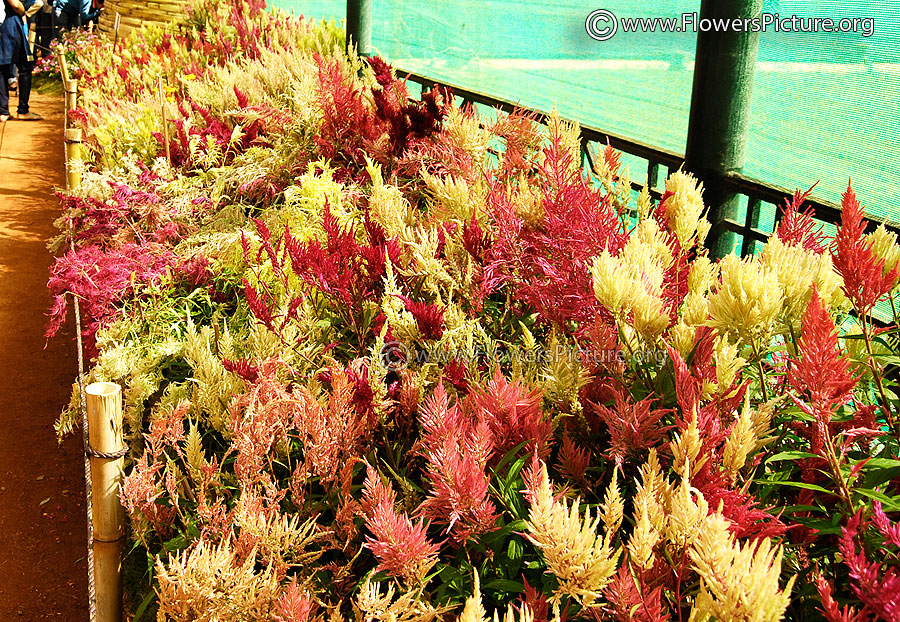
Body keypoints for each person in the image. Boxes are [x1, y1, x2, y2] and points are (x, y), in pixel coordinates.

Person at [0, 0, 42, 121]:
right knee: (25, 66)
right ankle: (22, 110)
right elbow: (15, 4)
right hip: (11, 24)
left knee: (2, 68)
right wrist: (24, 12)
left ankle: (3, 111)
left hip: (6, 24)